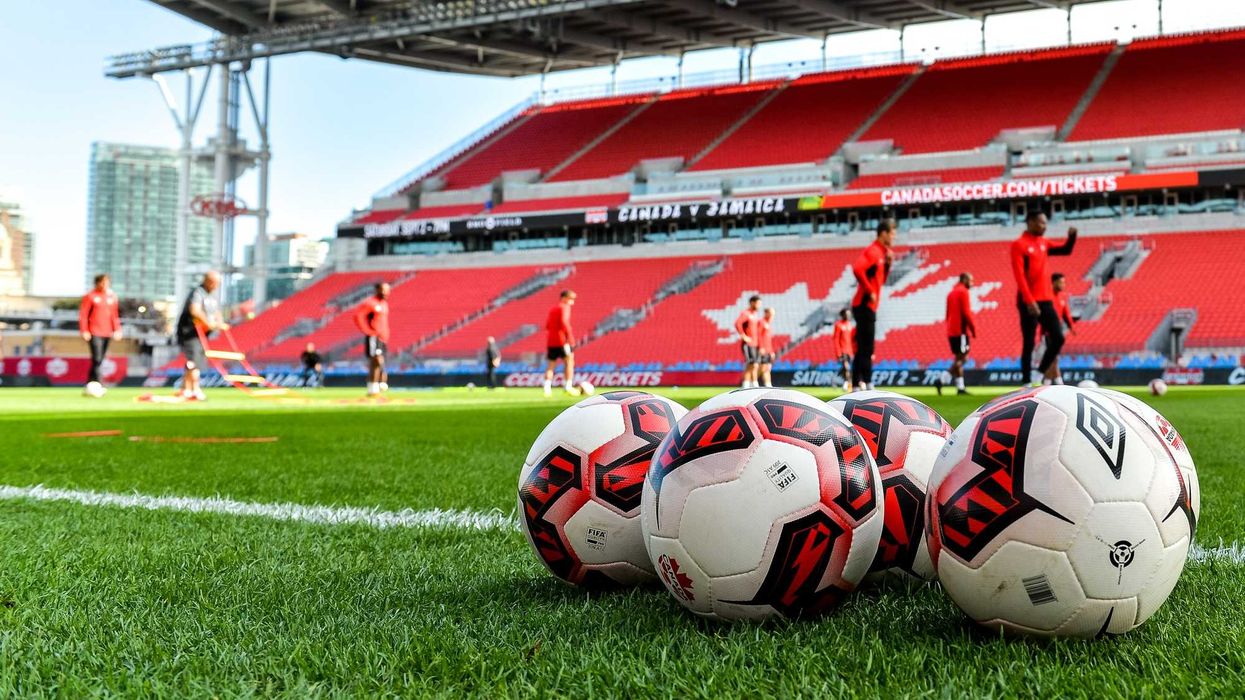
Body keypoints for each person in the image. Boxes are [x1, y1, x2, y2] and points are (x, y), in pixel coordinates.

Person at [1011, 210, 1077, 386]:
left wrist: (1072, 237)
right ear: (1031, 222)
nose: (1045, 226)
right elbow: (1020, 276)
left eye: (1046, 223)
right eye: (1042, 223)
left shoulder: (1043, 243)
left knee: (1058, 338)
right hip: (1028, 301)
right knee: (1029, 342)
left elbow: (1065, 250)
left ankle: (1039, 374)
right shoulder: (1019, 245)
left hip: (1045, 299)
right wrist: (1029, 301)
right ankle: (1026, 383)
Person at [851, 218, 896, 391]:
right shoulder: (873, 251)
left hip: (868, 305)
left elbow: (881, 280)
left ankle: (858, 384)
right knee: (866, 346)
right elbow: (857, 269)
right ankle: (867, 384)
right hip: (864, 304)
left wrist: (888, 266)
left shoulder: (883, 254)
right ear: (883, 233)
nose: (893, 238)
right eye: (892, 234)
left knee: (864, 346)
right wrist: (869, 290)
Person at [175, 271, 227, 401]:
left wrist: (220, 323)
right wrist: (209, 323)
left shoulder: (212, 297)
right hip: (189, 333)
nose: (217, 286)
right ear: (209, 281)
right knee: (194, 361)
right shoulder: (198, 293)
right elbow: (195, 311)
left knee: (194, 361)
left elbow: (217, 312)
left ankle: (185, 389)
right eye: (216, 283)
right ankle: (194, 389)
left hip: (201, 335)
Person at [79, 273, 121, 396]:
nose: (104, 285)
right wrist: (84, 330)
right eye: (102, 282)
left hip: (107, 332)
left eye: (107, 282)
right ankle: (98, 383)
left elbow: (114, 315)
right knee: (96, 358)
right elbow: (84, 315)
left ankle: (90, 384)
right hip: (94, 332)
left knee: (100, 359)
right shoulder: (90, 296)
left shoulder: (112, 297)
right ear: (97, 283)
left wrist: (117, 329)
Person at [940, 272, 976, 396]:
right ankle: (942, 379)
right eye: (971, 280)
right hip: (960, 331)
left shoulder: (951, 293)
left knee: (958, 358)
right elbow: (966, 312)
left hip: (951, 330)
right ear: (965, 279)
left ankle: (960, 387)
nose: (972, 283)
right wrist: (973, 329)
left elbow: (947, 313)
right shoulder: (963, 292)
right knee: (964, 357)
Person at [353, 282, 391, 397]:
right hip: (374, 337)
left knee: (378, 362)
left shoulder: (384, 304)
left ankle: (375, 387)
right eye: (383, 290)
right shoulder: (370, 303)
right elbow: (358, 316)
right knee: (376, 360)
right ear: (377, 290)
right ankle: (373, 388)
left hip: (382, 339)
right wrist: (368, 331)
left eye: (387, 290)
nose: (385, 292)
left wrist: (385, 334)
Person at [1044, 272, 1077, 385]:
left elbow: (1066, 314)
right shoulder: (1047, 297)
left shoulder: (1061, 298)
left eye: (1064, 282)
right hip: (1048, 332)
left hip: (1057, 332)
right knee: (1053, 358)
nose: (1063, 285)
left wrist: (1071, 326)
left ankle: (1047, 383)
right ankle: (1059, 382)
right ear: (1054, 283)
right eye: (1061, 282)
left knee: (1053, 358)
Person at [543, 289, 577, 397]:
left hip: (551, 342)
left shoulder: (553, 309)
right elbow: (564, 322)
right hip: (563, 341)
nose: (572, 302)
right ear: (565, 298)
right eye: (571, 299)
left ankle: (547, 388)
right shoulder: (565, 307)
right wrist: (569, 338)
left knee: (550, 366)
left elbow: (547, 325)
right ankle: (568, 387)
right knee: (569, 362)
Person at [734, 294, 762, 388]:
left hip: (755, 344)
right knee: (751, 364)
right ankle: (745, 385)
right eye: (758, 303)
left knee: (755, 365)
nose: (759, 306)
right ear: (752, 303)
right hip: (748, 344)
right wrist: (743, 335)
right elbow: (737, 323)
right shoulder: (746, 313)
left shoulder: (755, 315)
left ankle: (754, 384)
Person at [831, 308, 855, 391]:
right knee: (846, 367)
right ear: (842, 315)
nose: (848, 316)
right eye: (846, 314)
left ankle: (839, 380)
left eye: (849, 314)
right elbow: (836, 339)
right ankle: (848, 384)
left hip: (850, 351)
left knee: (847, 369)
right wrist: (838, 353)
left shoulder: (850, 325)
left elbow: (852, 340)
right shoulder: (838, 325)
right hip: (843, 351)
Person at [757, 307, 776, 388]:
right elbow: (758, 336)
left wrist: (771, 351)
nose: (772, 316)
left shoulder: (768, 325)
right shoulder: (761, 322)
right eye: (771, 314)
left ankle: (768, 384)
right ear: (766, 313)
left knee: (767, 367)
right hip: (762, 350)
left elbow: (768, 340)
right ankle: (751, 381)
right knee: (763, 367)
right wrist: (761, 347)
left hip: (768, 350)